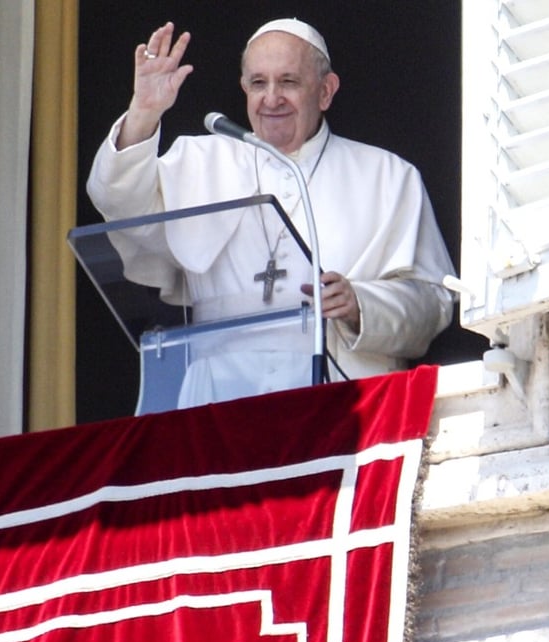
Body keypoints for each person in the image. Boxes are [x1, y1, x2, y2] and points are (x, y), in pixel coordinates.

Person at [86, 18, 456, 406]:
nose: (272, 98)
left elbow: (432, 302)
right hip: (217, 404)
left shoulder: (387, 176)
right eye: (258, 83)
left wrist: (361, 305)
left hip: (340, 402)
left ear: (326, 91)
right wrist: (144, 112)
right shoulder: (200, 160)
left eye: (289, 82)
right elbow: (115, 199)